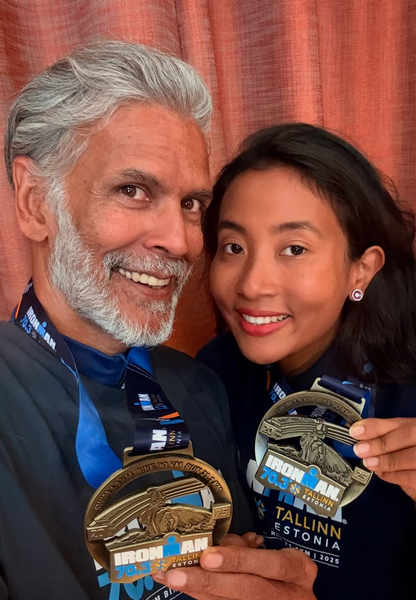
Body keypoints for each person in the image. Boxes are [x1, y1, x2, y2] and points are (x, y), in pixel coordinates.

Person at [0, 44, 317, 600]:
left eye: (192, 203)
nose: (181, 241)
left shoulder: (200, 385)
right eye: (133, 191)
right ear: (33, 202)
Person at [198, 123, 416, 600]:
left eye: (294, 249)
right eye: (234, 247)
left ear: (361, 270)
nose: (252, 284)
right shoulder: (215, 371)